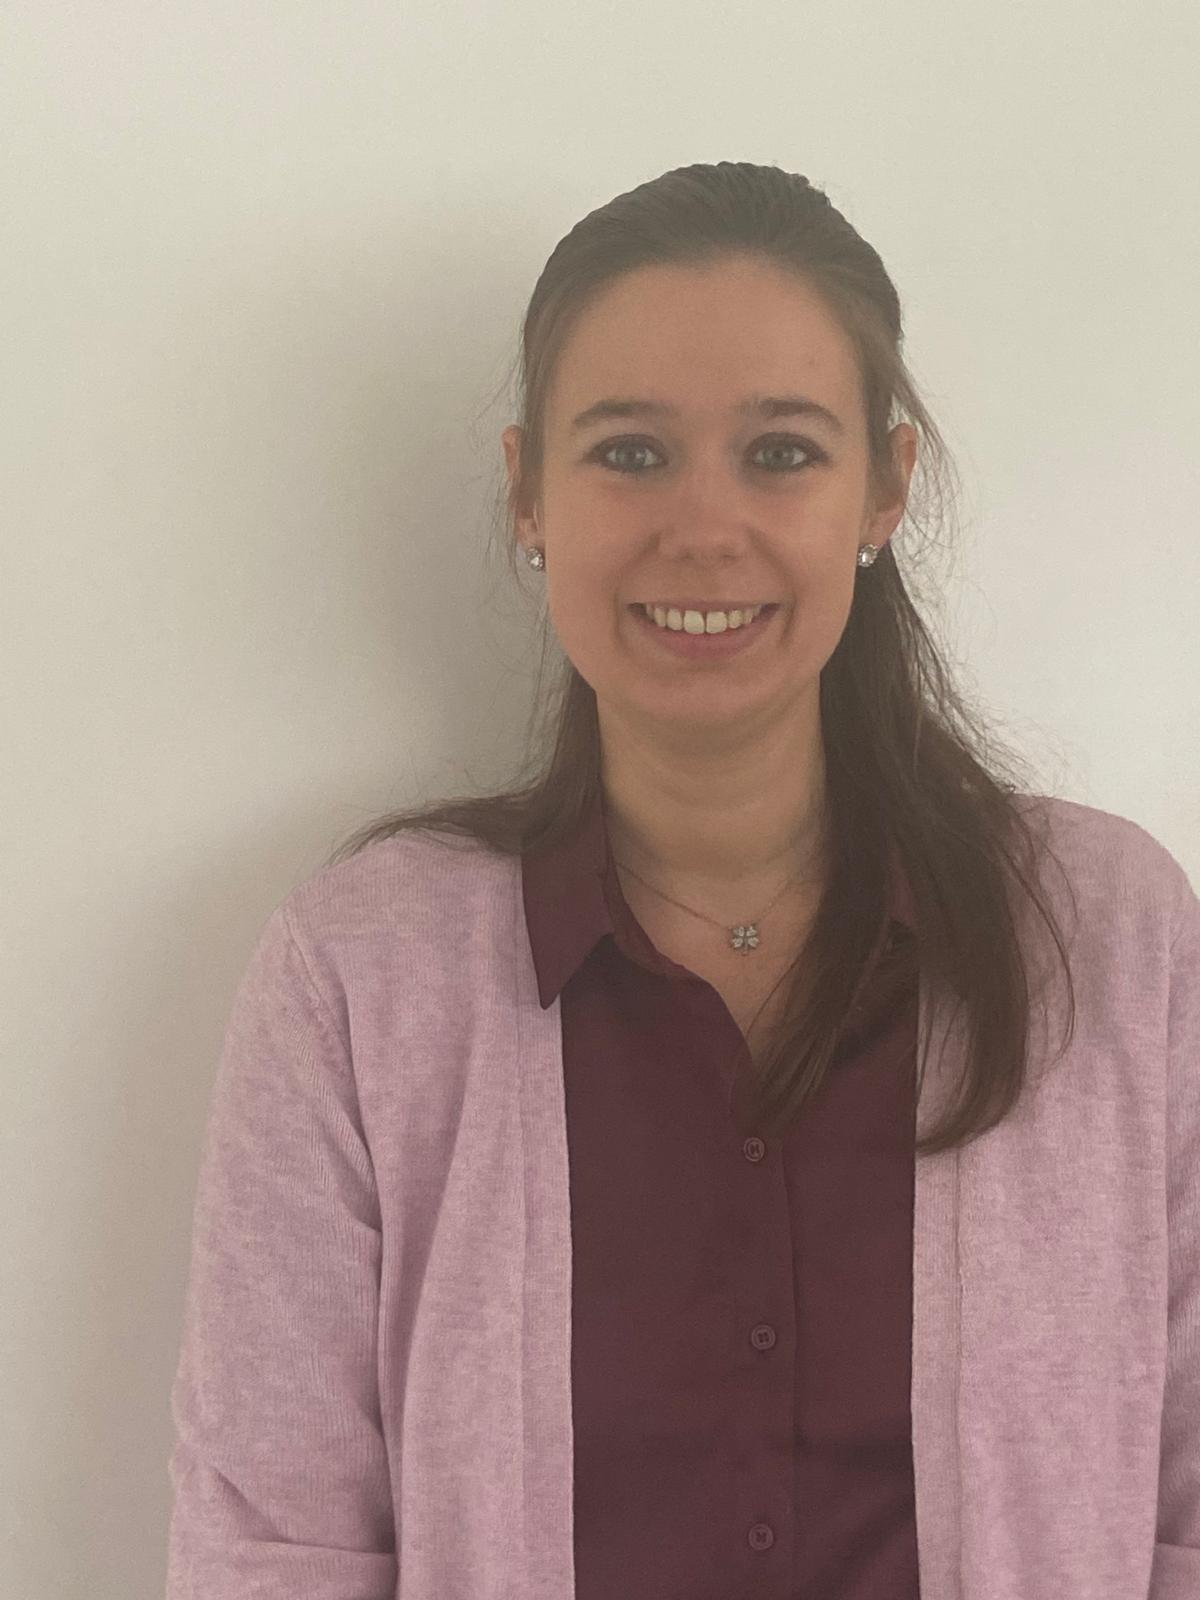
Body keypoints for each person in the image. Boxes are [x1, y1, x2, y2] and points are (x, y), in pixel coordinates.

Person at [165, 162, 1200, 1599]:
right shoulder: (357, 979)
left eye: (780, 451)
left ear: (885, 486)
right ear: (528, 491)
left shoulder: (1112, 939)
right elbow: (268, 1551)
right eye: (632, 453)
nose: (703, 529)